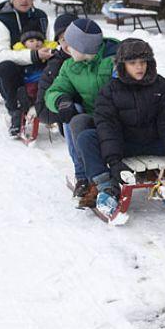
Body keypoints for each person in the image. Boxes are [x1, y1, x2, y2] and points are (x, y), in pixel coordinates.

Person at [74, 38, 165, 218]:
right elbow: (108, 128)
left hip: (154, 141)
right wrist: (114, 162)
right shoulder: (110, 91)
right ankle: (107, 187)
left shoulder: (161, 86)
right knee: (86, 138)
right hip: (124, 145)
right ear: (122, 65)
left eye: (143, 62)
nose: (139, 67)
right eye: (133, 63)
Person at [45, 18, 117, 206]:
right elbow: (54, 91)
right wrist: (61, 101)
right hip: (93, 118)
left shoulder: (112, 59)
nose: (66, 48)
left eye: (71, 45)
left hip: (118, 116)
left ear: (84, 49)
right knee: (74, 114)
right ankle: (83, 175)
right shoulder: (70, 66)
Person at [0, 0, 49, 136]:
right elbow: (0, 54)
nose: (24, 0)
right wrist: (32, 55)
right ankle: (15, 111)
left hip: (39, 62)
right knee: (5, 67)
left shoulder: (41, 16)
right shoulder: (1, 20)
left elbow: (48, 41)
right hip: (15, 66)